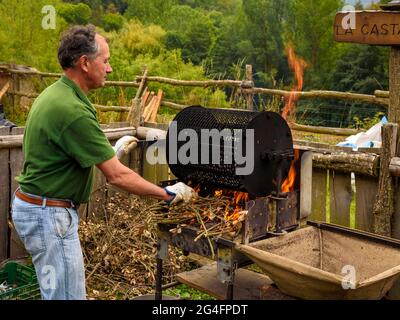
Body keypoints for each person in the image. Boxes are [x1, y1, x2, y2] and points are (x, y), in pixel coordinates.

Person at [11, 25, 196, 300]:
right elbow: (117, 176)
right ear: (84, 63)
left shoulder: (56, 94)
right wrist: (167, 194)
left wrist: (112, 151)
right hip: (49, 215)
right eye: (105, 61)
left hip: (38, 208)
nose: (109, 69)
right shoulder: (72, 109)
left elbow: (66, 152)